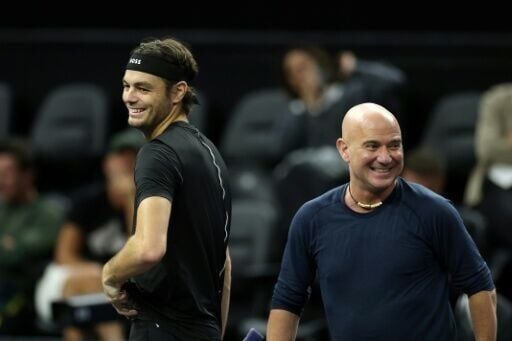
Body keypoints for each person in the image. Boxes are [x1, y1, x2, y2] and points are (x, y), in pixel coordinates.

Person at [267, 103, 497, 340]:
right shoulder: (312, 218)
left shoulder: (434, 212)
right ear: (344, 149)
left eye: (394, 145)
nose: (385, 157)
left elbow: (481, 287)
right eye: (372, 146)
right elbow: (287, 300)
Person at [101, 37, 232, 341]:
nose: (129, 97)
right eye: (126, 85)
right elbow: (224, 263)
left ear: (178, 92)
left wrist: (109, 275)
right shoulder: (210, 153)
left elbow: (148, 247)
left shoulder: (157, 154)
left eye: (143, 88)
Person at [34, 128, 145, 340]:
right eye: (120, 157)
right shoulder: (87, 202)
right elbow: (64, 255)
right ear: (106, 163)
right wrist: (101, 273)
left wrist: (131, 198)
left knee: (89, 303)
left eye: (134, 158)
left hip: (118, 289)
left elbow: (140, 247)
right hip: (69, 278)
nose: (127, 164)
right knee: (87, 285)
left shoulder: (153, 207)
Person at [0, 138, 63, 334]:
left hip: (26, 297)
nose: (1, 179)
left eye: (7, 173)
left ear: (27, 175)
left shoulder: (49, 212)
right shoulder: (2, 209)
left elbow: (15, 255)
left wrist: (10, 246)